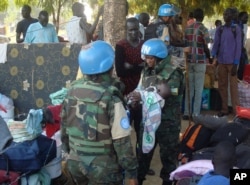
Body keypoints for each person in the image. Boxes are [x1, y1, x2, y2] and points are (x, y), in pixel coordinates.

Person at [61, 40, 138, 185]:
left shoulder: (71, 91)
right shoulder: (111, 97)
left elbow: (64, 130)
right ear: (108, 65)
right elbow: (122, 143)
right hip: (103, 169)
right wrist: (131, 173)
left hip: (75, 163)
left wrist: (70, 153)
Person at [128, 38, 184, 185]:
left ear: (159, 57)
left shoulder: (174, 72)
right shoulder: (147, 69)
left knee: (169, 161)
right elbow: (141, 87)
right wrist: (134, 97)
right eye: (145, 58)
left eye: (150, 58)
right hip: (148, 122)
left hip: (167, 124)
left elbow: (164, 93)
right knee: (142, 157)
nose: (147, 61)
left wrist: (142, 95)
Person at [211, 7, 242, 117]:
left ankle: (236, 111)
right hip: (221, 62)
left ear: (232, 16)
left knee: (233, 88)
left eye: (227, 14)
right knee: (222, 86)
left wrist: (236, 63)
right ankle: (224, 109)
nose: (225, 16)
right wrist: (213, 55)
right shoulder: (220, 29)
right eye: (224, 14)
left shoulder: (236, 29)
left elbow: (238, 47)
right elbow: (216, 44)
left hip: (232, 63)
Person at [182, 8, 211, 120]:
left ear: (193, 16)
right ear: (203, 17)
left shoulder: (187, 29)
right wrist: (210, 58)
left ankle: (186, 112)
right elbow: (206, 45)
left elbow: (184, 43)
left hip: (189, 61)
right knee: (198, 89)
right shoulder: (204, 29)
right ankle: (195, 114)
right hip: (200, 61)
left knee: (189, 87)